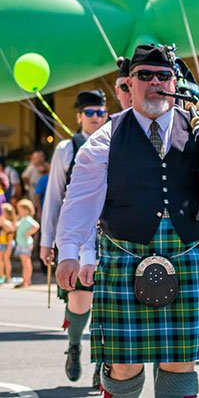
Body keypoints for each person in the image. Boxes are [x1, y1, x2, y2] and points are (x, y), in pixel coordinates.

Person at [54, 43, 199, 398]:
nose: (155, 83)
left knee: (180, 360)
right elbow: (80, 200)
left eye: (163, 76)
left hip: (192, 252)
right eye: (144, 76)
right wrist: (69, 251)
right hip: (125, 254)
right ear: (128, 85)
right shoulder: (105, 138)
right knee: (123, 362)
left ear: (174, 82)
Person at [39, 89, 110, 384]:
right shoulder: (66, 148)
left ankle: (103, 363)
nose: (96, 118)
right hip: (78, 237)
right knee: (80, 302)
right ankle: (74, 345)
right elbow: (54, 197)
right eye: (90, 113)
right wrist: (47, 241)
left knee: (108, 304)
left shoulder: (116, 143)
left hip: (111, 236)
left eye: (100, 112)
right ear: (79, 116)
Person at [14, 198, 38, 288]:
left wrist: (28, 233)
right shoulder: (23, 219)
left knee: (26, 263)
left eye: (20, 209)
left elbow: (36, 226)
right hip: (21, 243)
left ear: (25, 210)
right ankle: (26, 280)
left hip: (25, 244)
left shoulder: (28, 218)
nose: (18, 211)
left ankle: (26, 281)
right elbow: (15, 227)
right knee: (25, 262)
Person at [0, 203, 15, 284]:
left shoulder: (7, 222)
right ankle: (2, 276)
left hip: (7, 243)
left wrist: (9, 245)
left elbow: (10, 234)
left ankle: (7, 277)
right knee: (1, 260)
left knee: (6, 260)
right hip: (2, 243)